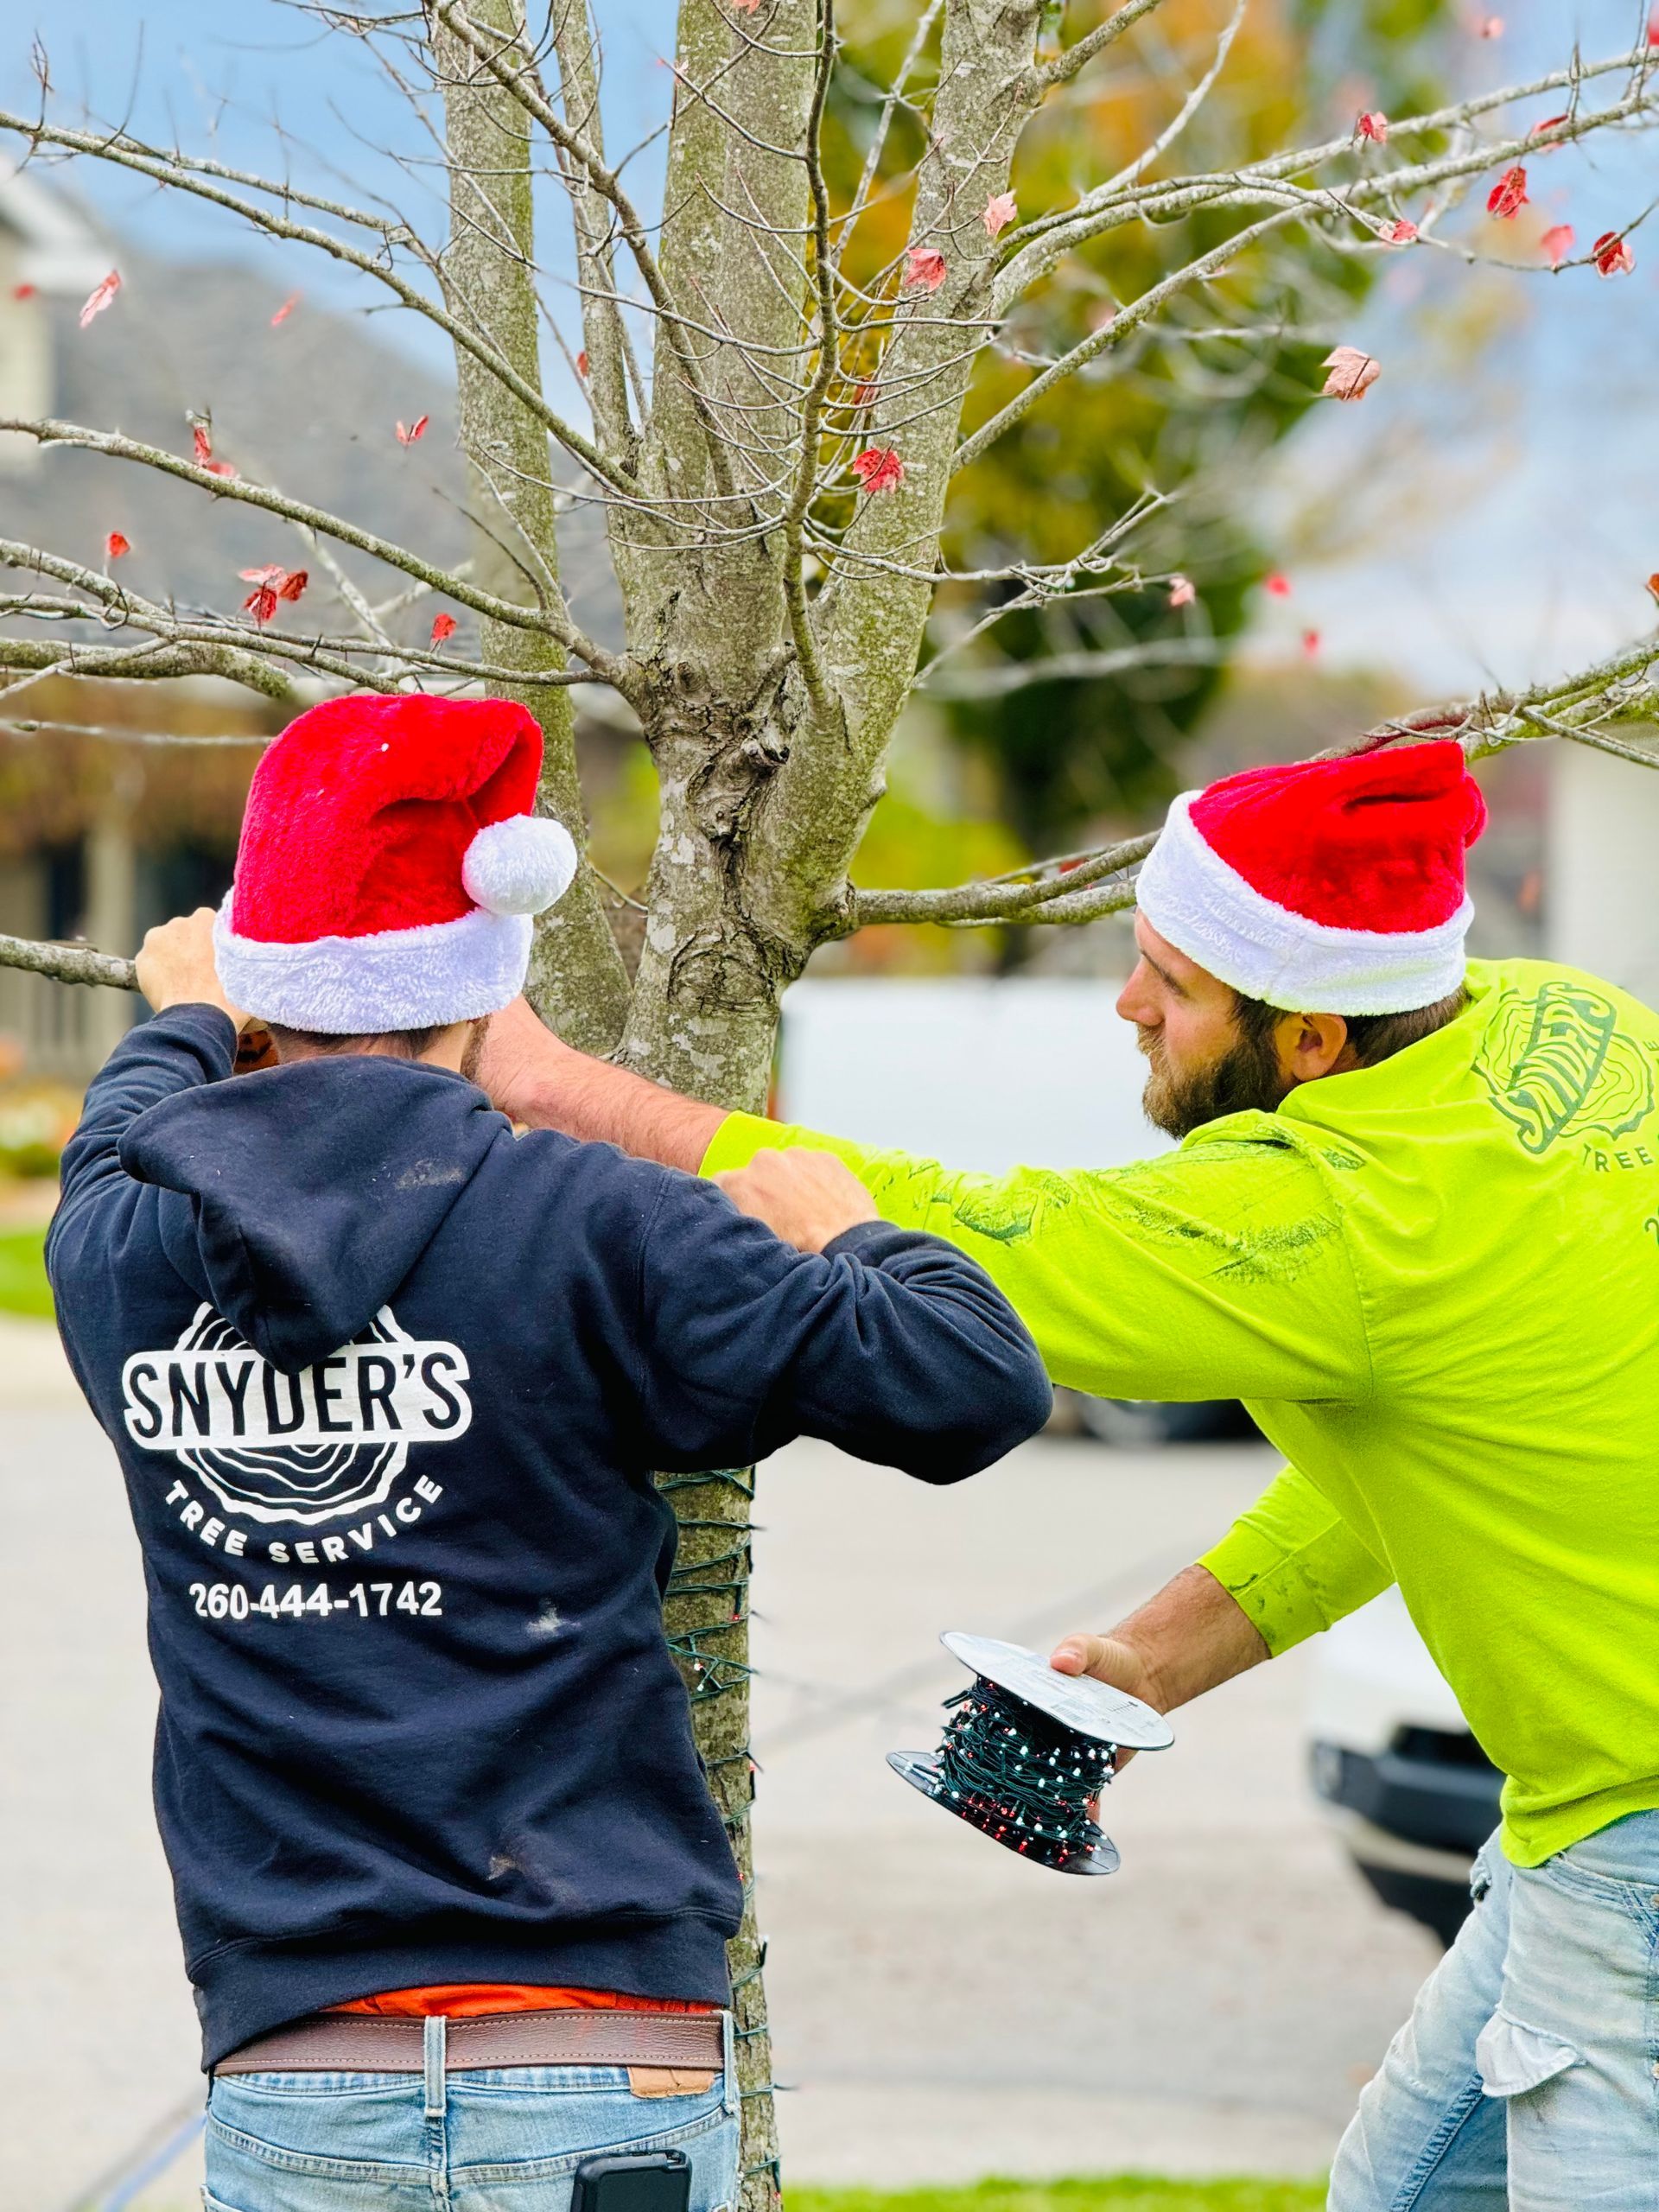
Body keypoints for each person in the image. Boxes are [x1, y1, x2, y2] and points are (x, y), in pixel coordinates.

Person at [481, 740, 1659, 2212]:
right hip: (1584, 1835)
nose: (1129, 1002)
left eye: (1173, 982)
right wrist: (1159, 1656)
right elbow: (1440, 1443)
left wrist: (548, 1082)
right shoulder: (1572, 1026)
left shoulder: (1338, 1219)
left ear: (1308, 1042)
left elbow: (962, 1232)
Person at [47, 691, 1052, 2212]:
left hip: (301, 2065)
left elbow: (116, 1135)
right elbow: (971, 1381)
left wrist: (186, 1009)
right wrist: (852, 1229)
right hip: (604, 2051)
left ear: (259, 1001)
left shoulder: (128, 1252)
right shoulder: (600, 1230)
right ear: (487, 982)